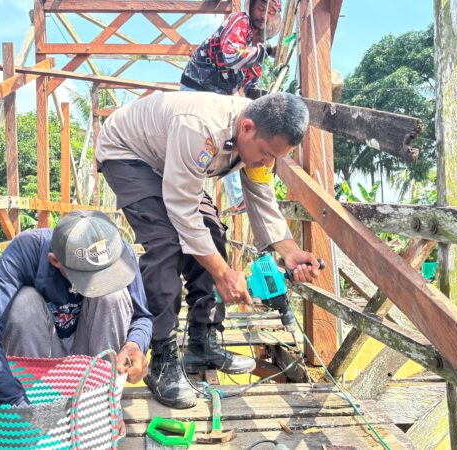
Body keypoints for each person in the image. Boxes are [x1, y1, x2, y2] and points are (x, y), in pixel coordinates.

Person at [96, 91, 322, 409]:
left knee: (213, 233)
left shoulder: (257, 142)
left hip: (168, 161)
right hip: (128, 154)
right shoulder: (200, 128)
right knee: (166, 243)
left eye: (276, 157)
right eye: (267, 153)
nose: (268, 162)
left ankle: (203, 341)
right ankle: (161, 356)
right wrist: (221, 273)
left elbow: (260, 191)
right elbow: (182, 211)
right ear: (246, 128)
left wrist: (289, 250)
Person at [0, 210, 152, 409]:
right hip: (42, 357)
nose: (99, 283)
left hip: (92, 356)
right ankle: (37, 404)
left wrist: (135, 345)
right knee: (23, 302)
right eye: (90, 279)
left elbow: (142, 317)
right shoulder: (27, 250)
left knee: (113, 294)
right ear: (54, 261)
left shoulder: (118, 252)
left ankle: (100, 405)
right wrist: (14, 398)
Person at [180, 0, 283, 210]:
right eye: (262, 7)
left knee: (236, 133)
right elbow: (231, 55)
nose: (264, 13)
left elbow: (253, 89)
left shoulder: (254, 53)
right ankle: (185, 193)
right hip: (197, 88)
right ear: (252, 6)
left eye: (270, 11)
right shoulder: (240, 21)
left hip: (217, 97)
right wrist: (265, 51)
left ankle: (238, 197)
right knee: (199, 138)